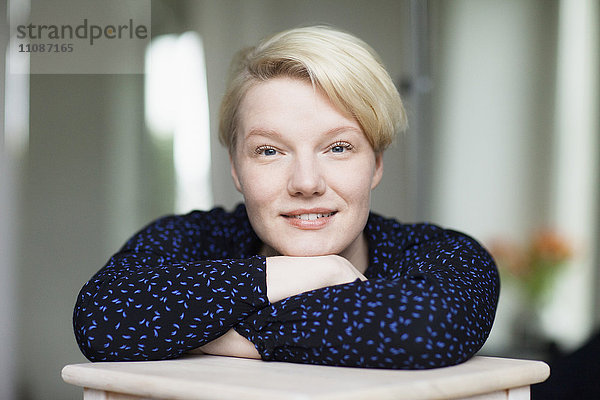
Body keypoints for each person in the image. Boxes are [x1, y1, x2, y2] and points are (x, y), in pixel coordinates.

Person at [73, 26, 499, 369]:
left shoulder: (444, 254)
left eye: (338, 147)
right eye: (270, 151)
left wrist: (230, 335)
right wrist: (317, 273)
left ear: (377, 163)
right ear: (237, 169)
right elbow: (101, 318)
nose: (307, 182)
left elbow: (425, 328)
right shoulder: (190, 237)